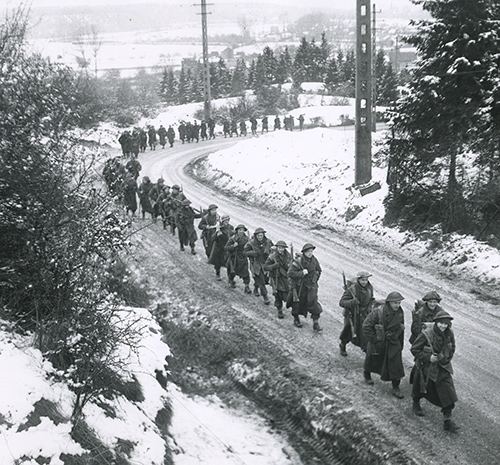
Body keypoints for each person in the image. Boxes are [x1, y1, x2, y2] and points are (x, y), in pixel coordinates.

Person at [410, 310, 458, 432]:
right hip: (426, 368)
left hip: (443, 368)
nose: (443, 326)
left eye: (446, 324)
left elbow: (452, 347)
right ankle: (416, 403)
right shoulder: (426, 334)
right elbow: (415, 349)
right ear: (436, 322)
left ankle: (447, 421)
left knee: (448, 393)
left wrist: (446, 359)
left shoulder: (449, 333)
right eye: (441, 323)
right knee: (420, 387)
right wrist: (428, 358)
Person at [362, 292, 405, 399]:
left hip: (393, 341)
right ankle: (367, 375)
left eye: (399, 303)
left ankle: (396, 387)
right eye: (395, 303)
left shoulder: (400, 313)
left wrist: (400, 344)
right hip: (378, 341)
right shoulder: (378, 312)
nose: (397, 305)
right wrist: (375, 339)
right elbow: (366, 326)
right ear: (389, 302)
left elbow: (401, 328)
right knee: (372, 359)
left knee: (396, 365)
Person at [287, 243, 323, 331]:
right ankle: (296, 319)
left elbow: (319, 270)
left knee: (314, 304)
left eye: (311, 251)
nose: (310, 253)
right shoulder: (298, 261)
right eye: (308, 252)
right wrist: (301, 273)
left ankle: (315, 323)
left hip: (311, 287)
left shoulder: (314, 260)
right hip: (300, 287)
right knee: (297, 304)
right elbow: (290, 273)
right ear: (304, 253)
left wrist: (315, 280)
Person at [339, 271, 375, 356]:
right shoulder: (352, 289)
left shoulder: (370, 288)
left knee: (365, 333)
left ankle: (367, 351)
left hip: (364, 314)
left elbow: (370, 300)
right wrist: (352, 302)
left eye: (366, 280)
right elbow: (342, 302)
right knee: (348, 331)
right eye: (362, 280)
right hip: (352, 315)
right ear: (358, 280)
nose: (364, 282)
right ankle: (343, 344)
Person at [244, 227, 273, 305]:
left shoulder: (268, 242)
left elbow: (273, 250)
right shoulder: (251, 243)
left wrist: (270, 252)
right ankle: (265, 296)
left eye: (261, 235)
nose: (260, 237)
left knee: (265, 279)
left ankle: (256, 288)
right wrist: (253, 253)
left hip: (266, 264)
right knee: (261, 281)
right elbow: (245, 252)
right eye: (258, 235)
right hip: (256, 265)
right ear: (256, 236)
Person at [264, 240, 292, 318]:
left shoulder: (288, 256)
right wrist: (274, 266)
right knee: (277, 294)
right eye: (279, 248)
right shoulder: (272, 256)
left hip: (285, 278)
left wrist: (288, 266)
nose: (281, 249)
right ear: (277, 248)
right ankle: (279, 310)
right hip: (276, 278)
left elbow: (291, 266)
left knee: (287, 294)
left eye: (282, 248)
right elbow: (265, 267)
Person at [225, 224, 251, 293]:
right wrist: (233, 246)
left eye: (242, 230)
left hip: (243, 257)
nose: (241, 231)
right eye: (240, 230)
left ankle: (247, 286)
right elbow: (226, 248)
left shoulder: (247, 239)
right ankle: (231, 281)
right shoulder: (232, 238)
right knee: (232, 272)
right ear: (237, 231)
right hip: (234, 258)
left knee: (246, 273)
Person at [208, 215, 234, 281]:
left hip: (227, 247)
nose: (226, 222)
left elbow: (233, 236)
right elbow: (212, 238)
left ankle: (230, 279)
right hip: (219, 248)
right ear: (222, 221)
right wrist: (217, 233)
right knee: (218, 262)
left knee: (229, 263)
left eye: (228, 220)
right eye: (225, 220)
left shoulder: (231, 227)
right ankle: (217, 274)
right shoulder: (219, 227)